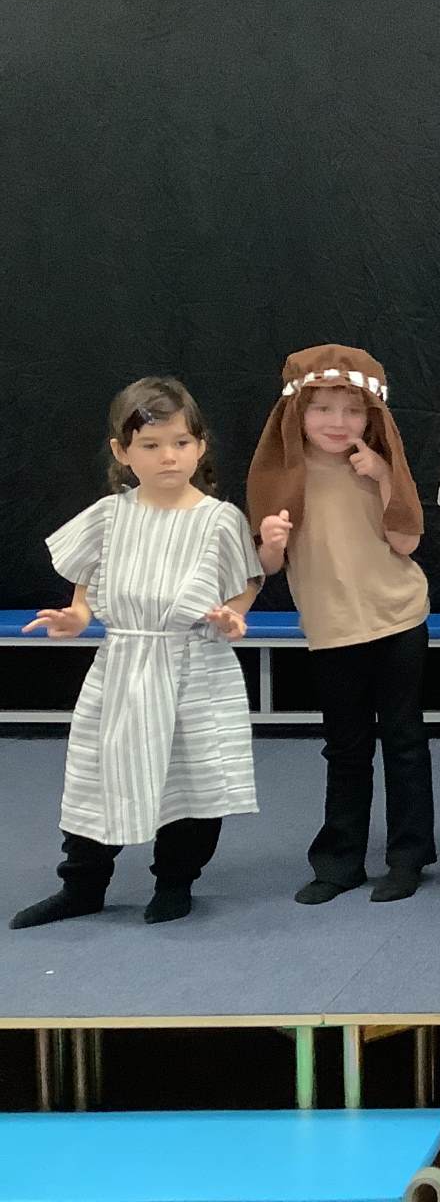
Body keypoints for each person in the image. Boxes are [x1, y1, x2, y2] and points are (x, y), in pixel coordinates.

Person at [12, 378, 261, 929]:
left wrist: (232, 615)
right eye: (150, 444)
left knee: (190, 780)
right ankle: (83, 885)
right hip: (122, 668)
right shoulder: (109, 515)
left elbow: (245, 581)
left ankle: (175, 882)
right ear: (122, 452)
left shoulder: (219, 519)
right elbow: (86, 590)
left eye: (181, 442)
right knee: (97, 775)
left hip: (194, 669)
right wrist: (76, 618)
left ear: (200, 446)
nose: (168, 456)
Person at [248, 345, 435, 904]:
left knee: (404, 741)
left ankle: (407, 856)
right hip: (332, 627)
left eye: (353, 410)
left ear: (372, 416)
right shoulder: (284, 475)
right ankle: (339, 861)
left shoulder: (377, 466)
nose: (338, 422)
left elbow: (407, 541)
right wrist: (270, 545)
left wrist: (383, 478)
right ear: (296, 412)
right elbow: (268, 567)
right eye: (323, 408)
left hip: (398, 618)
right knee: (345, 747)